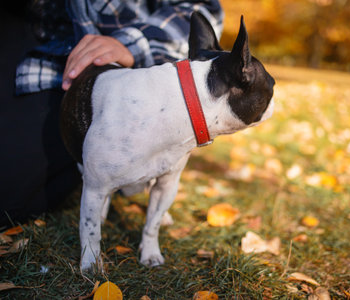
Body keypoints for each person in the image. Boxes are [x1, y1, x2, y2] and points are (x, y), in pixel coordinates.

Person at [0, 0, 223, 227]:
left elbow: (200, 9)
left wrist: (134, 43)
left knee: (8, 194)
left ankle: (103, 169)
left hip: (118, 66)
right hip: (25, 36)